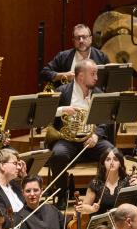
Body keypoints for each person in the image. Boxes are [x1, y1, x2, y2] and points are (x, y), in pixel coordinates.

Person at [47, 58, 115, 205]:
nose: (96, 77)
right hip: (67, 139)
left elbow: (105, 120)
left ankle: (104, 194)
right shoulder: (62, 91)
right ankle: (62, 194)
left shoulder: (98, 93)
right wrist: (62, 110)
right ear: (81, 76)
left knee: (112, 154)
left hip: (91, 139)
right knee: (58, 154)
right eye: (93, 74)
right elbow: (46, 114)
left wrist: (97, 136)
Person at [40, 23, 109, 90]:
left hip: (93, 99)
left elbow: (109, 81)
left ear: (90, 39)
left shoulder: (101, 57)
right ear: (73, 41)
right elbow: (44, 73)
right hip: (69, 100)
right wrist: (64, 76)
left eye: (84, 37)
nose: (81, 41)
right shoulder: (63, 56)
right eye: (78, 38)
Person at [78, 147, 137, 217]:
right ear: (103, 163)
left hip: (122, 223)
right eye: (108, 159)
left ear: (120, 163)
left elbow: (135, 206)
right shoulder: (95, 183)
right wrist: (92, 209)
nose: (112, 162)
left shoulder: (129, 181)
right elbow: (85, 206)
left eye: (115, 159)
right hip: (102, 225)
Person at [0, 148, 24, 227]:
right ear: (2, 165)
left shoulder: (13, 184)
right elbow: (5, 223)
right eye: (15, 163)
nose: (19, 167)